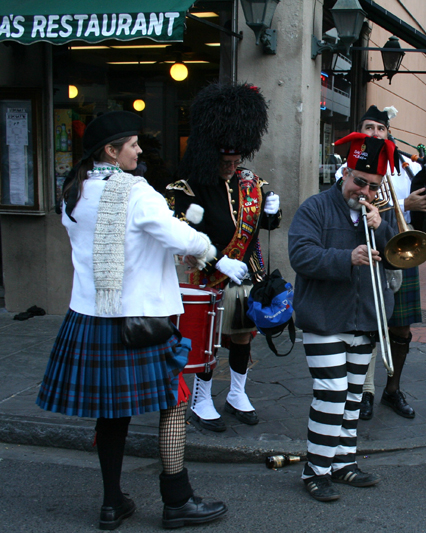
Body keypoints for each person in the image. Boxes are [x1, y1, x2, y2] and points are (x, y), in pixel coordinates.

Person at [36, 111, 227, 530]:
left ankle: (111, 503)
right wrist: (206, 249)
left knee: (111, 412)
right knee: (175, 403)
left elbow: (125, 241)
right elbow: (179, 237)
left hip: (90, 316)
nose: (140, 151)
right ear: (111, 150)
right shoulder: (138, 193)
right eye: (133, 144)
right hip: (142, 319)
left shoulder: (75, 190)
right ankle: (177, 501)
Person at [289, 132, 399, 502]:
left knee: (353, 396)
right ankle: (316, 469)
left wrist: (381, 227)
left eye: (372, 186)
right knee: (332, 392)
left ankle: (343, 462)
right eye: (358, 182)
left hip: (365, 317)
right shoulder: (315, 208)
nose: (363, 191)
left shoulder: (377, 215)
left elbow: (399, 255)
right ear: (345, 172)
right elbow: (301, 256)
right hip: (324, 317)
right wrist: (345, 258)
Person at [168, 82, 281, 432]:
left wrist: (274, 212)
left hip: (245, 275)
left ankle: (236, 393)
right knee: (207, 341)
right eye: (225, 161)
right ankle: (202, 399)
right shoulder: (186, 188)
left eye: (236, 161)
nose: (232, 167)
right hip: (207, 277)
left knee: (243, 336)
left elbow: (266, 223)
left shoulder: (251, 183)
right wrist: (217, 260)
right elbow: (179, 237)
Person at [336, 105, 426, 421]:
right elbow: (349, 201)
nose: (375, 133)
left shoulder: (404, 166)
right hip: (366, 250)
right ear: (360, 132)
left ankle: (393, 389)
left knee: (400, 329)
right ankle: (364, 391)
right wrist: (404, 203)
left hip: (400, 250)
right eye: (369, 127)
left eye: (380, 128)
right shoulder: (348, 166)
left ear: (388, 133)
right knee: (368, 326)